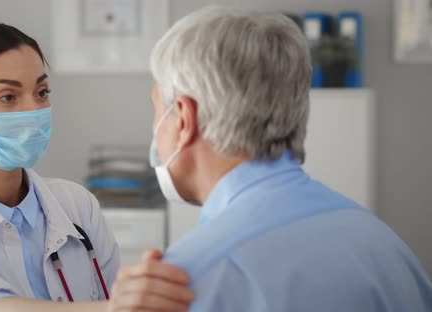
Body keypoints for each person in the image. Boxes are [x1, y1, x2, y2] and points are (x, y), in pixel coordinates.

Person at [115, 6, 432, 311]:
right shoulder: (386, 247)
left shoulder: (176, 286)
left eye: (157, 110)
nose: (156, 129)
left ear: (183, 119)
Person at [0, 22, 193, 312]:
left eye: (41, 92)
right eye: (7, 97)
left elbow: (114, 296)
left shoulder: (77, 205)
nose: (32, 110)